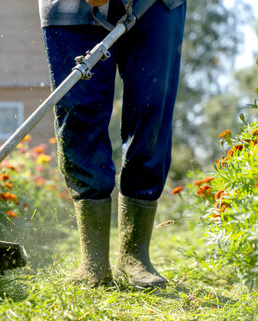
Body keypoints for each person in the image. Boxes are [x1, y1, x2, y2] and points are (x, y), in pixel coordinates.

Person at [38, 0, 186, 288]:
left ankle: (134, 257)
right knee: (78, 113)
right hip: (70, 9)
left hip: (156, 5)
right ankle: (93, 262)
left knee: (150, 109)